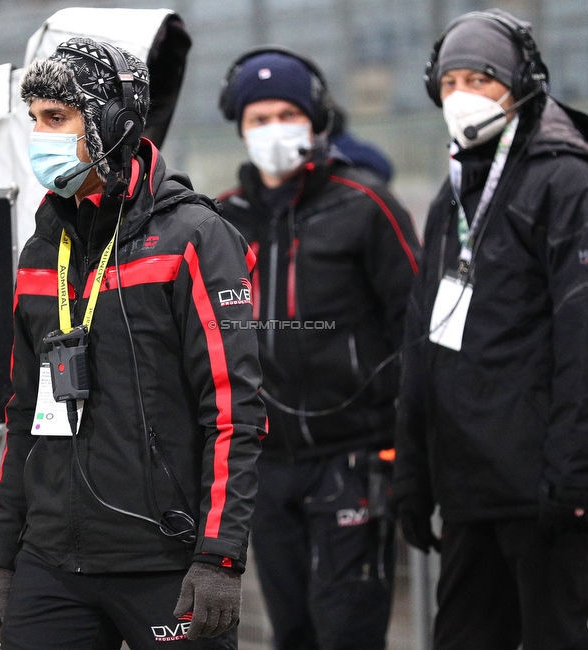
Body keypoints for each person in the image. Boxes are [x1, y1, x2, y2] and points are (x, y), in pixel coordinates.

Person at [0, 37, 266, 650]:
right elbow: (23, 415)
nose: (39, 137)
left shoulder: (194, 237)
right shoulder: (40, 251)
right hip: (52, 563)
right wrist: (1, 555)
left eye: (57, 118)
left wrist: (220, 558)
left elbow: (233, 410)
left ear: (112, 122)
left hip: (166, 562)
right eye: (33, 120)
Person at [392, 9, 588, 650]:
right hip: (471, 494)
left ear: (523, 84)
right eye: (449, 82)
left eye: (480, 78)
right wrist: (413, 477)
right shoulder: (452, 196)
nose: (461, 95)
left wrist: (575, 479)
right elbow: (424, 343)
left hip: (551, 496)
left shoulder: (571, 181)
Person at [215, 46, 421, 650]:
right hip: (263, 465)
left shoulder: (367, 205)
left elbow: (416, 329)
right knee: (292, 630)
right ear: (241, 127)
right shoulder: (224, 219)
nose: (273, 128)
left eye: (287, 113)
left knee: (349, 630)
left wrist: (403, 447)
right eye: (258, 118)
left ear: (315, 119)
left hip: (352, 459)